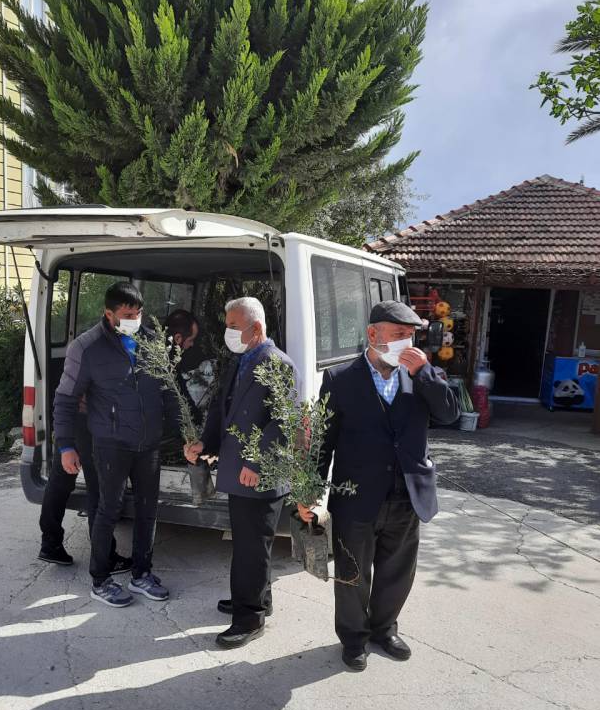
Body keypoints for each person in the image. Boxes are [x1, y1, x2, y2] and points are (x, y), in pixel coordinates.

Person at [297, 300, 460, 672]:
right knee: (354, 573)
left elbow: (450, 414)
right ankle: (354, 639)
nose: (407, 342)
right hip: (356, 495)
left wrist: (426, 373)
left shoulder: (420, 375)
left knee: (397, 571)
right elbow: (323, 441)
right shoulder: (340, 380)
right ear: (373, 334)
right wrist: (310, 492)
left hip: (407, 495)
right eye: (399, 334)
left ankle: (384, 629)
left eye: (411, 335)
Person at [53, 282, 180, 607]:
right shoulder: (87, 347)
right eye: (127, 314)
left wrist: (182, 430)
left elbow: (168, 390)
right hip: (110, 444)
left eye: (138, 313)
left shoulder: (151, 341)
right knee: (108, 510)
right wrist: (66, 445)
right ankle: (100, 579)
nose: (135, 319)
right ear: (108, 314)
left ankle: (141, 574)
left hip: (148, 443)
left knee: (148, 510)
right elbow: (65, 399)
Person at [185, 297, 296, 649]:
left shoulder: (278, 364)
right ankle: (258, 598)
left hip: (259, 473)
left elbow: (283, 421)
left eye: (233, 326)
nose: (228, 332)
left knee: (251, 548)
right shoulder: (240, 361)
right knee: (249, 543)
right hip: (239, 468)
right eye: (228, 325)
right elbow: (223, 409)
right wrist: (206, 443)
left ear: (256, 328)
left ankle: (249, 618)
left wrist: (256, 463)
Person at [37, 394, 132, 573]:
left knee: (59, 483)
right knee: (98, 490)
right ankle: (105, 557)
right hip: (92, 420)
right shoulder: (95, 364)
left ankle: (50, 544)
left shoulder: (73, 365)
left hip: (70, 419)